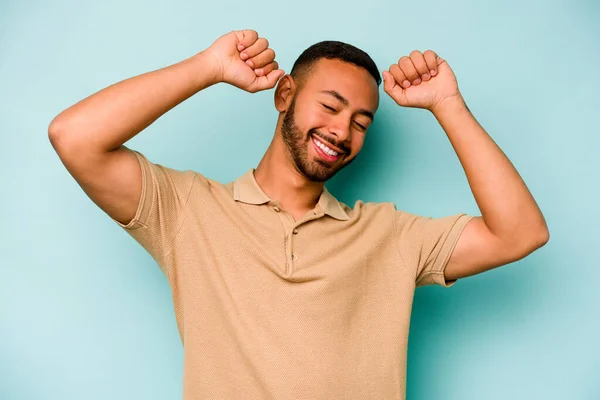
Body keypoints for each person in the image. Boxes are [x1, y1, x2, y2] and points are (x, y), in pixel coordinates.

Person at [48, 29, 549, 399]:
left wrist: (448, 104)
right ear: (284, 95)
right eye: (329, 107)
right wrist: (206, 67)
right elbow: (74, 137)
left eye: (361, 122)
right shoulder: (188, 212)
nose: (341, 131)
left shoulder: (389, 235)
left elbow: (521, 232)